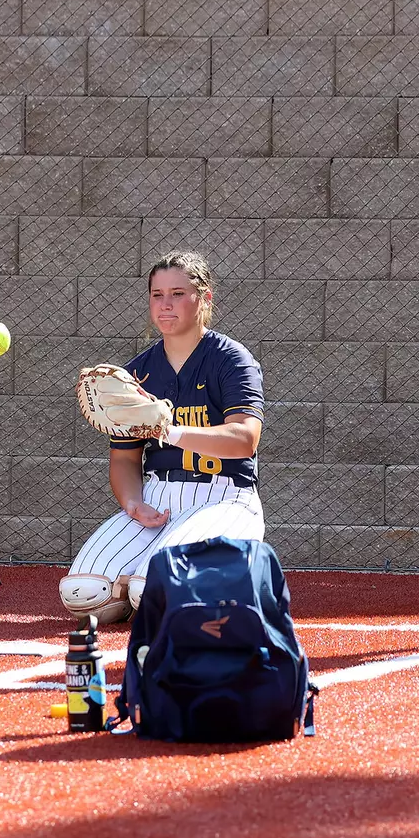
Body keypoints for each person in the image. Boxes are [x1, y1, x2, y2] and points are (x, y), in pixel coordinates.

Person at [60, 252, 266, 623]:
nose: (165, 305)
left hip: (223, 498)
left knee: (151, 591)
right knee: (82, 594)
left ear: (205, 298)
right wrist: (133, 502)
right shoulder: (136, 372)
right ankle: (151, 581)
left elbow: (243, 439)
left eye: (177, 293)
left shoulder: (232, 359)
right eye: (157, 295)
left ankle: (224, 577)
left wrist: (168, 431)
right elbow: (124, 459)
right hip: (159, 498)